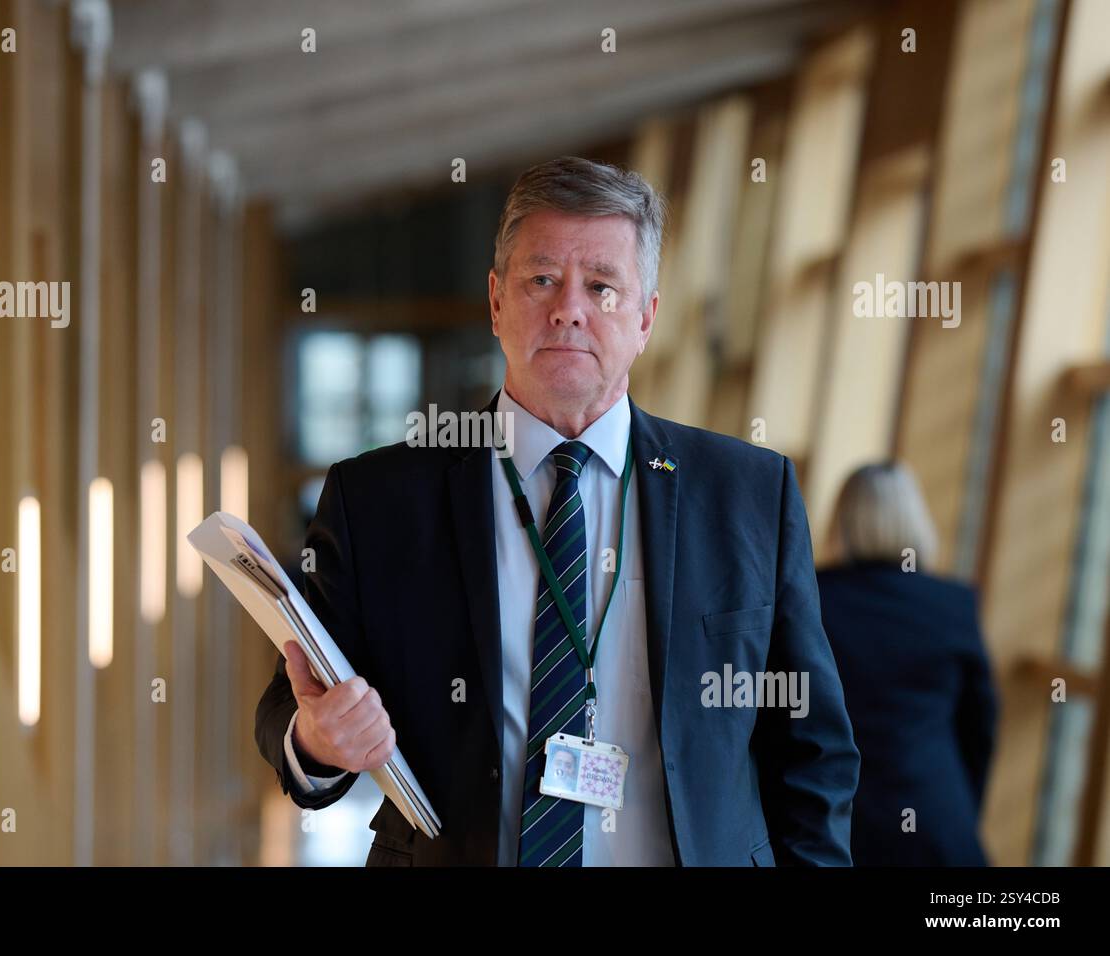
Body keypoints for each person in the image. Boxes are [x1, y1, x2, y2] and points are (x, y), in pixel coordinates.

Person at [255, 156, 859, 866]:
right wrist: (317, 743)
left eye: (602, 288)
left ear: (646, 319)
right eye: (541, 279)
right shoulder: (381, 502)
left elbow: (812, 750)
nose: (569, 307)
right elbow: (286, 709)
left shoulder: (748, 494)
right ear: (496, 303)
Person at [816, 462, 997, 866]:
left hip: (835, 824)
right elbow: (979, 726)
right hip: (934, 821)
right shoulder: (953, 604)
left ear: (841, 522)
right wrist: (963, 809)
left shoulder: (813, 598)